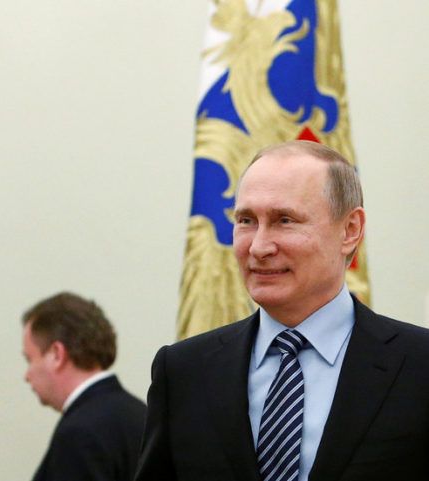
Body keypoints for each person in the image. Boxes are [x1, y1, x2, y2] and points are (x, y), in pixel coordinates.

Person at [135, 140, 429, 481]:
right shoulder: (184, 371)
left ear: (350, 230)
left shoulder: (419, 367)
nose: (258, 247)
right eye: (246, 220)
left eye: (284, 220)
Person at [21, 292, 147, 481]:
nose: (26, 375)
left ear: (57, 354)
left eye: (29, 359)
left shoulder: (79, 433)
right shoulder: (142, 413)